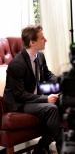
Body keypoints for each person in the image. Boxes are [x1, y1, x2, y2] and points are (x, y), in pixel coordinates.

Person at [3, 24, 63, 154]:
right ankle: (62, 146)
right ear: (32, 42)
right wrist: (46, 99)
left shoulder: (39, 56)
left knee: (63, 101)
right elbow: (20, 95)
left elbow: (47, 75)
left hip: (33, 98)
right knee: (51, 109)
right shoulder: (17, 64)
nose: (45, 40)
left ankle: (41, 147)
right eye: (42, 38)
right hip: (19, 103)